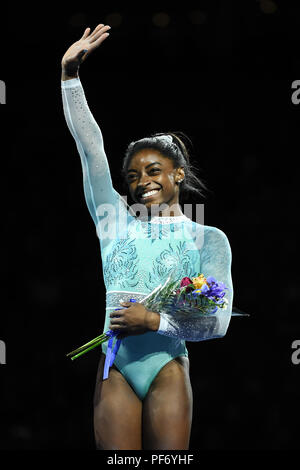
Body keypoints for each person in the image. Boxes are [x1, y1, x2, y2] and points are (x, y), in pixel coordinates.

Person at [61, 23, 233, 450]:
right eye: (133, 176)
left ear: (177, 174)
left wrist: (154, 320)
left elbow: (218, 322)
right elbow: (90, 149)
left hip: (167, 364)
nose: (142, 182)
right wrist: (70, 77)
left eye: (153, 171)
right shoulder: (113, 220)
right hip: (116, 364)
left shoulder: (208, 238)